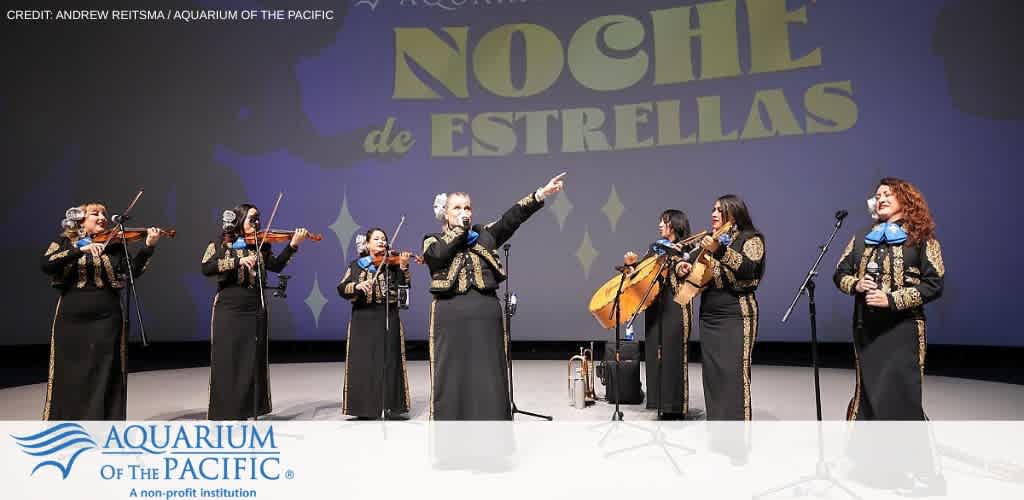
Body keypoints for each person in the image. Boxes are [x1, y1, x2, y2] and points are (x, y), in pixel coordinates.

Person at [423, 172, 566, 420]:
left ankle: (492, 433)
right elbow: (438, 256)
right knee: (452, 371)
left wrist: (540, 194)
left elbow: (511, 218)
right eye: (457, 207)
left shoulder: (485, 235)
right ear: (445, 213)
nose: (463, 211)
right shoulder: (432, 240)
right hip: (450, 314)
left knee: (488, 372)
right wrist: (459, 230)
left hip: (485, 312)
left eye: (467, 207)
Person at [834, 177, 944, 420]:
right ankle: (865, 454)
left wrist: (892, 300)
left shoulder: (921, 236)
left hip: (904, 328)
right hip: (866, 327)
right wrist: (856, 284)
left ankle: (903, 454)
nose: (881, 198)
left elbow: (934, 284)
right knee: (868, 391)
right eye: (878, 195)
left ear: (905, 200)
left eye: (888, 194)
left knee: (900, 392)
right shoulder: (862, 236)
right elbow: (840, 273)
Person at [41, 202, 162, 420]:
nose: (102, 217)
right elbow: (47, 264)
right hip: (72, 316)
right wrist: (79, 249)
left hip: (107, 316)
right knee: (69, 372)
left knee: (104, 372)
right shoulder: (65, 242)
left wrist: (148, 247)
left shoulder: (114, 245)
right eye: (94, 213)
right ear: (80, 220)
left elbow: (131, 272)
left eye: (104, 214)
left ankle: (103, 428)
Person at [201, 203, 309, 420]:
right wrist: (238, 261)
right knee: (229, 357)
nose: (257, 223)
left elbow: (276, 266)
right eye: (252, 219)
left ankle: (250, 408)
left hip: (255, 305)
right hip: (229, 307)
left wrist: (293, 245)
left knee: (252, 358)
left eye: (258, 219)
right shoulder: (222, 242)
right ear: (240, 220)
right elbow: (206, 267)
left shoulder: (261, 244)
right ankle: (226, 410)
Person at [698, 195, 765, 421]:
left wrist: (719, 250)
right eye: (714, 209)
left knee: (734, 374)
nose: (714, 213)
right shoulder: (713, 239)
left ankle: (738, 441)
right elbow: (706, 275)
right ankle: (717, 433)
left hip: (736, 313)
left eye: (720, 210)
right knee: (713, 375)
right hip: (709, 315)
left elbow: (749, 269)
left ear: (734, 213)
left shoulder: (751, 238)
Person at [622, 210, 695, 419]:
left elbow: (689, 274)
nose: (660, 225)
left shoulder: (689, 248)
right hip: (655, 306)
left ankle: (674, 406)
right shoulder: (655, 248)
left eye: (664, 222)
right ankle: (658, 401)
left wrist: (678, 263)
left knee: (673, 354)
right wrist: (630, 266)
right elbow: (640, 274)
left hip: (676, 306)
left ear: (675, 224)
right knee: (654, 352)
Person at [338, 228, 413, 420]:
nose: (381, 242)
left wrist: (404, 267)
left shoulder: (393, 264)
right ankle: (364, 407)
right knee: (364, 361)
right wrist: (356, 286)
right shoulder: (357, 265)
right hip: (364, 317)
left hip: (388, 315)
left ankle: (390, 405)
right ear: (367, 244)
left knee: (389, 359)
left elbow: (405, 290)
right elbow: (341, 288)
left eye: (384, 239)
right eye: (376, 239)